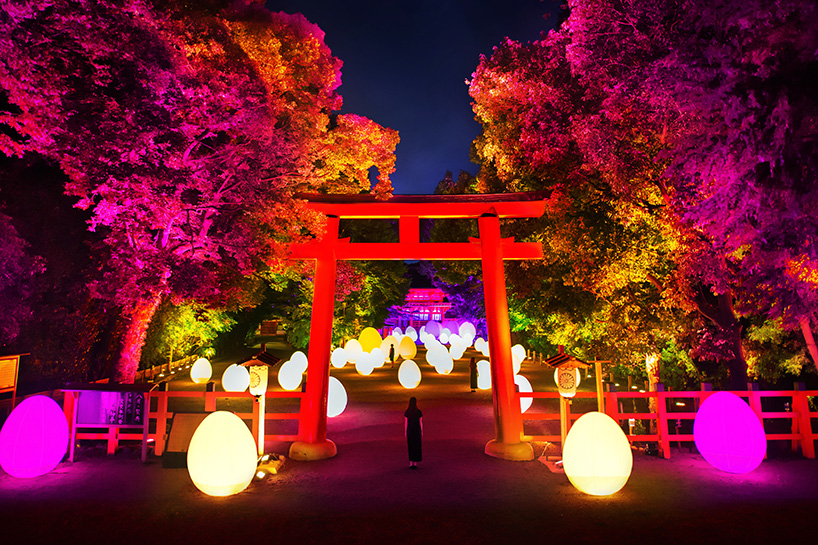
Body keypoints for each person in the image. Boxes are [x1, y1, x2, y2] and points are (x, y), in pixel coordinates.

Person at [404, 396, 423, 469]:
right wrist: (421, 431)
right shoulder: (418, 412)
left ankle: (411, 462)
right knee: (416, 446)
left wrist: (405, 431)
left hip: (410, 430)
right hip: (416, 430)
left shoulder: (407, 412)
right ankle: (415, 462)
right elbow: (420, 422)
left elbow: (406, 423)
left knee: (410, 446)